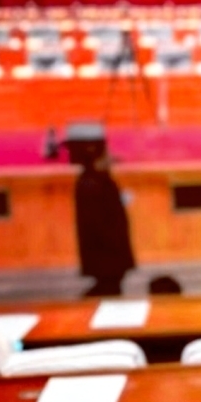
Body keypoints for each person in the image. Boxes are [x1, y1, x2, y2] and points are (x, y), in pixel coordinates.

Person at [71, 128, 136, 298]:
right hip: (106, 253)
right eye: (106, 155)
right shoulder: (91, 184)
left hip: (110, 252)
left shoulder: (99, 180)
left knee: (112, 286)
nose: (110, 158)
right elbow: (96, 223)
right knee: (108, 288)